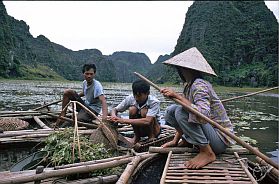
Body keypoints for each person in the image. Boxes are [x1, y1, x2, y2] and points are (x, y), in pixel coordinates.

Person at [160, 47, 235, 169]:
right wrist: (175, 140)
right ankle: (186, 140)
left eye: (179, 68)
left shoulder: (199, 85)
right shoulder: (189, 86)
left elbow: (203, 113)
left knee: (180, 110)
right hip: (209, 133)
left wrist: (177, 96)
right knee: (170, 111)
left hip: (219, 139)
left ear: (184, 69)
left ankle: (207, 152)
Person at [108, 79, 161, 144]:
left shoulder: (154, 102)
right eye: (134, 95)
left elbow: (147, 121)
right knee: (132, 109)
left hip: (155, 130)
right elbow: (115, 109)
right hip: (140, 129)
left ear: (147, 93)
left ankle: (151, 137)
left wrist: (123, 120)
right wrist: (114, 117)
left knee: (144, 111)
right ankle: (137, 137)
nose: (136, 98)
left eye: (139, 96)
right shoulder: (131, 98)